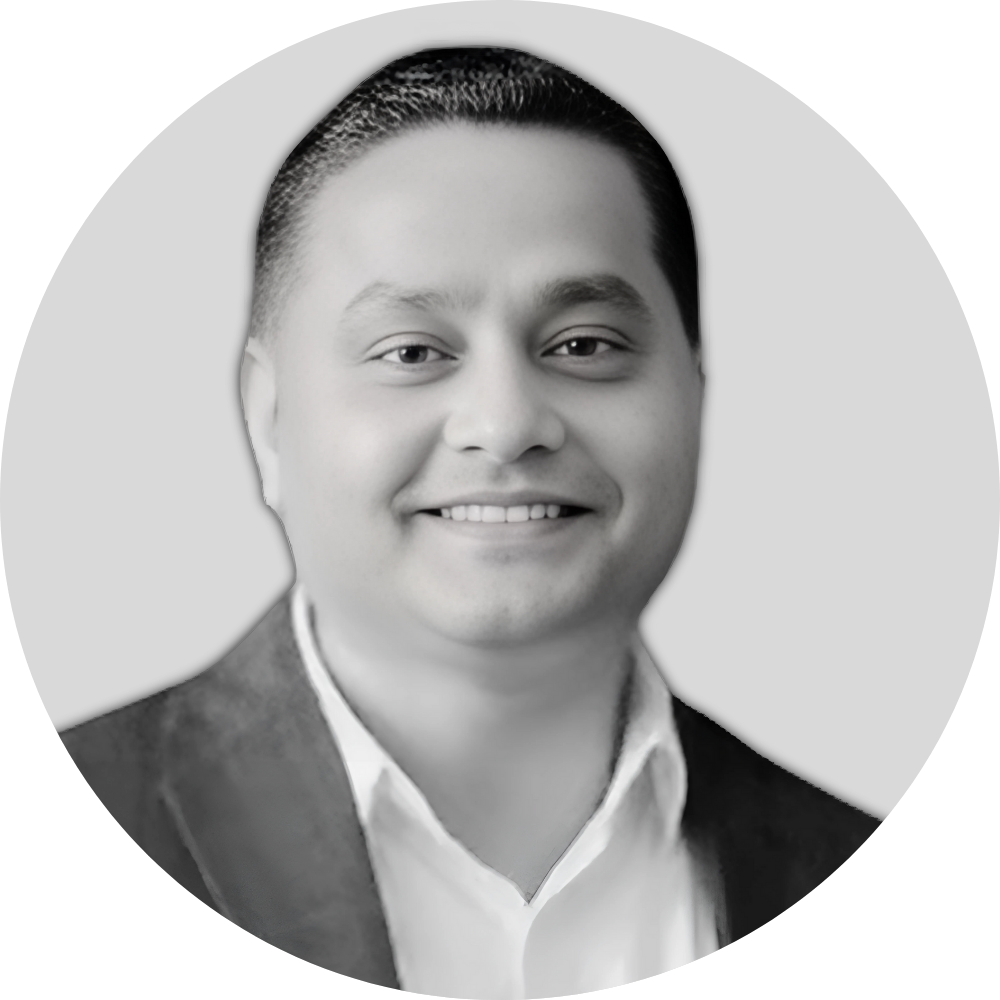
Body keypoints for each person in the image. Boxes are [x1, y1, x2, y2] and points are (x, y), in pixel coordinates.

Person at [59, 47, 879, 998]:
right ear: (269, 420)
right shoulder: (49, 829)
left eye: (584, 344)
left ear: (693, 398)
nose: (505, 423)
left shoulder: (883, 871)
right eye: (411, 350)